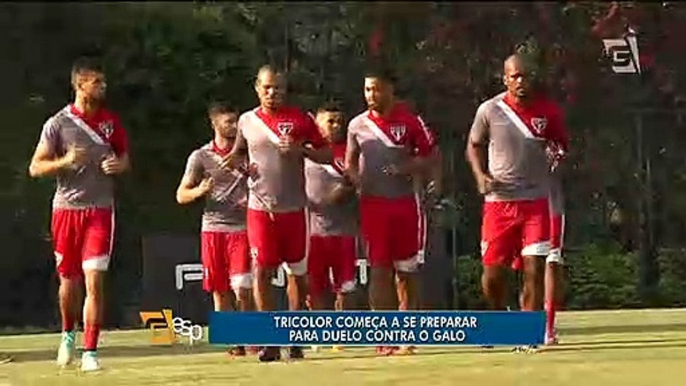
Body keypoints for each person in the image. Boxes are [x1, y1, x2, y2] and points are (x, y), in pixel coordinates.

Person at [224, 65, 333, 362]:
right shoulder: (247, 120)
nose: (273, 93)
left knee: (297, 274)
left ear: (286, 90)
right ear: (257, 87)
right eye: (267, 87)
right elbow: (238, 153)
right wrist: (236, 164)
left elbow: (326, 153)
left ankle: (294, 337)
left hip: (294, 209)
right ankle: (270, 338)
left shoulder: (300, 119)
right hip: (261, 209)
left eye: (279, 88)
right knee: (261, 270)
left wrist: (301, 149)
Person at [28, 57, 130, 371]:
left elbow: (124, 157)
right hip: (66, 211)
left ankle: (90, 352)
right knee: (69, 282)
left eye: (103, 81)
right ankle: (67, 334)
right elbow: (35, 167)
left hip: (100, 209)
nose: (103, 87)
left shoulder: (111, 122)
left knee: (95, 280)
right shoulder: (57, 124)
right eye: (97, 82)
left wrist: (119, 165)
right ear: (80, 84)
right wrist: (65, 161)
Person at [466, 54, 568, 350]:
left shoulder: (548, 111)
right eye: (515, 76)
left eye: (526, 76)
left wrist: (558, 156)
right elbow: (473, 145)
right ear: (505, 79)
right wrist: (480, 175)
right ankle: (501, 322)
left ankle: (526, 333)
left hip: (536, 201)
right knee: (492, 277)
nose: (521, 82)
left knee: (534, 268)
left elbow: (562, 145)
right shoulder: (490, 110)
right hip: (499, 203)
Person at [344, 68, 438, 356]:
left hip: (406, 205)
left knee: (407, 271)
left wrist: (406, 168)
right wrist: (359, 183)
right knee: (379, 271)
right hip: (373, 207)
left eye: (376, 89)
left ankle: (408, 333)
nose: (371, 95)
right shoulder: (357, 125)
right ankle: (384, 336)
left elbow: (430, 154)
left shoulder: (410, 121)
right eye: (367, 90)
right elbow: (349, 162)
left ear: (390, 90)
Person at [175, 101, 256, 356]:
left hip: (242, 228)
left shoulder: (249, 154)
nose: (233, 127)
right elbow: (181, 194)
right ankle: (234, 342)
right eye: (228, 121)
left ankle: (252, 338)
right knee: (219, 289)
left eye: (236, 121)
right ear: (214, 123)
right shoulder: (201, 156)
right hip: (213, 229)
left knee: (242, 286)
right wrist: (200, 190)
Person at [305, 102, 359, 353]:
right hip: (311, 233)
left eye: (340, 121)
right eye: (330, 121)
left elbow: (361, 184)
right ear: (317, 123)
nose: (336, 126)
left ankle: (342, 335)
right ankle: (318, 333)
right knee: (315, 287)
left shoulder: (349, 153)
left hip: (343, 232)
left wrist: (347, 191)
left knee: (345, 286)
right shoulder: (304, 152)